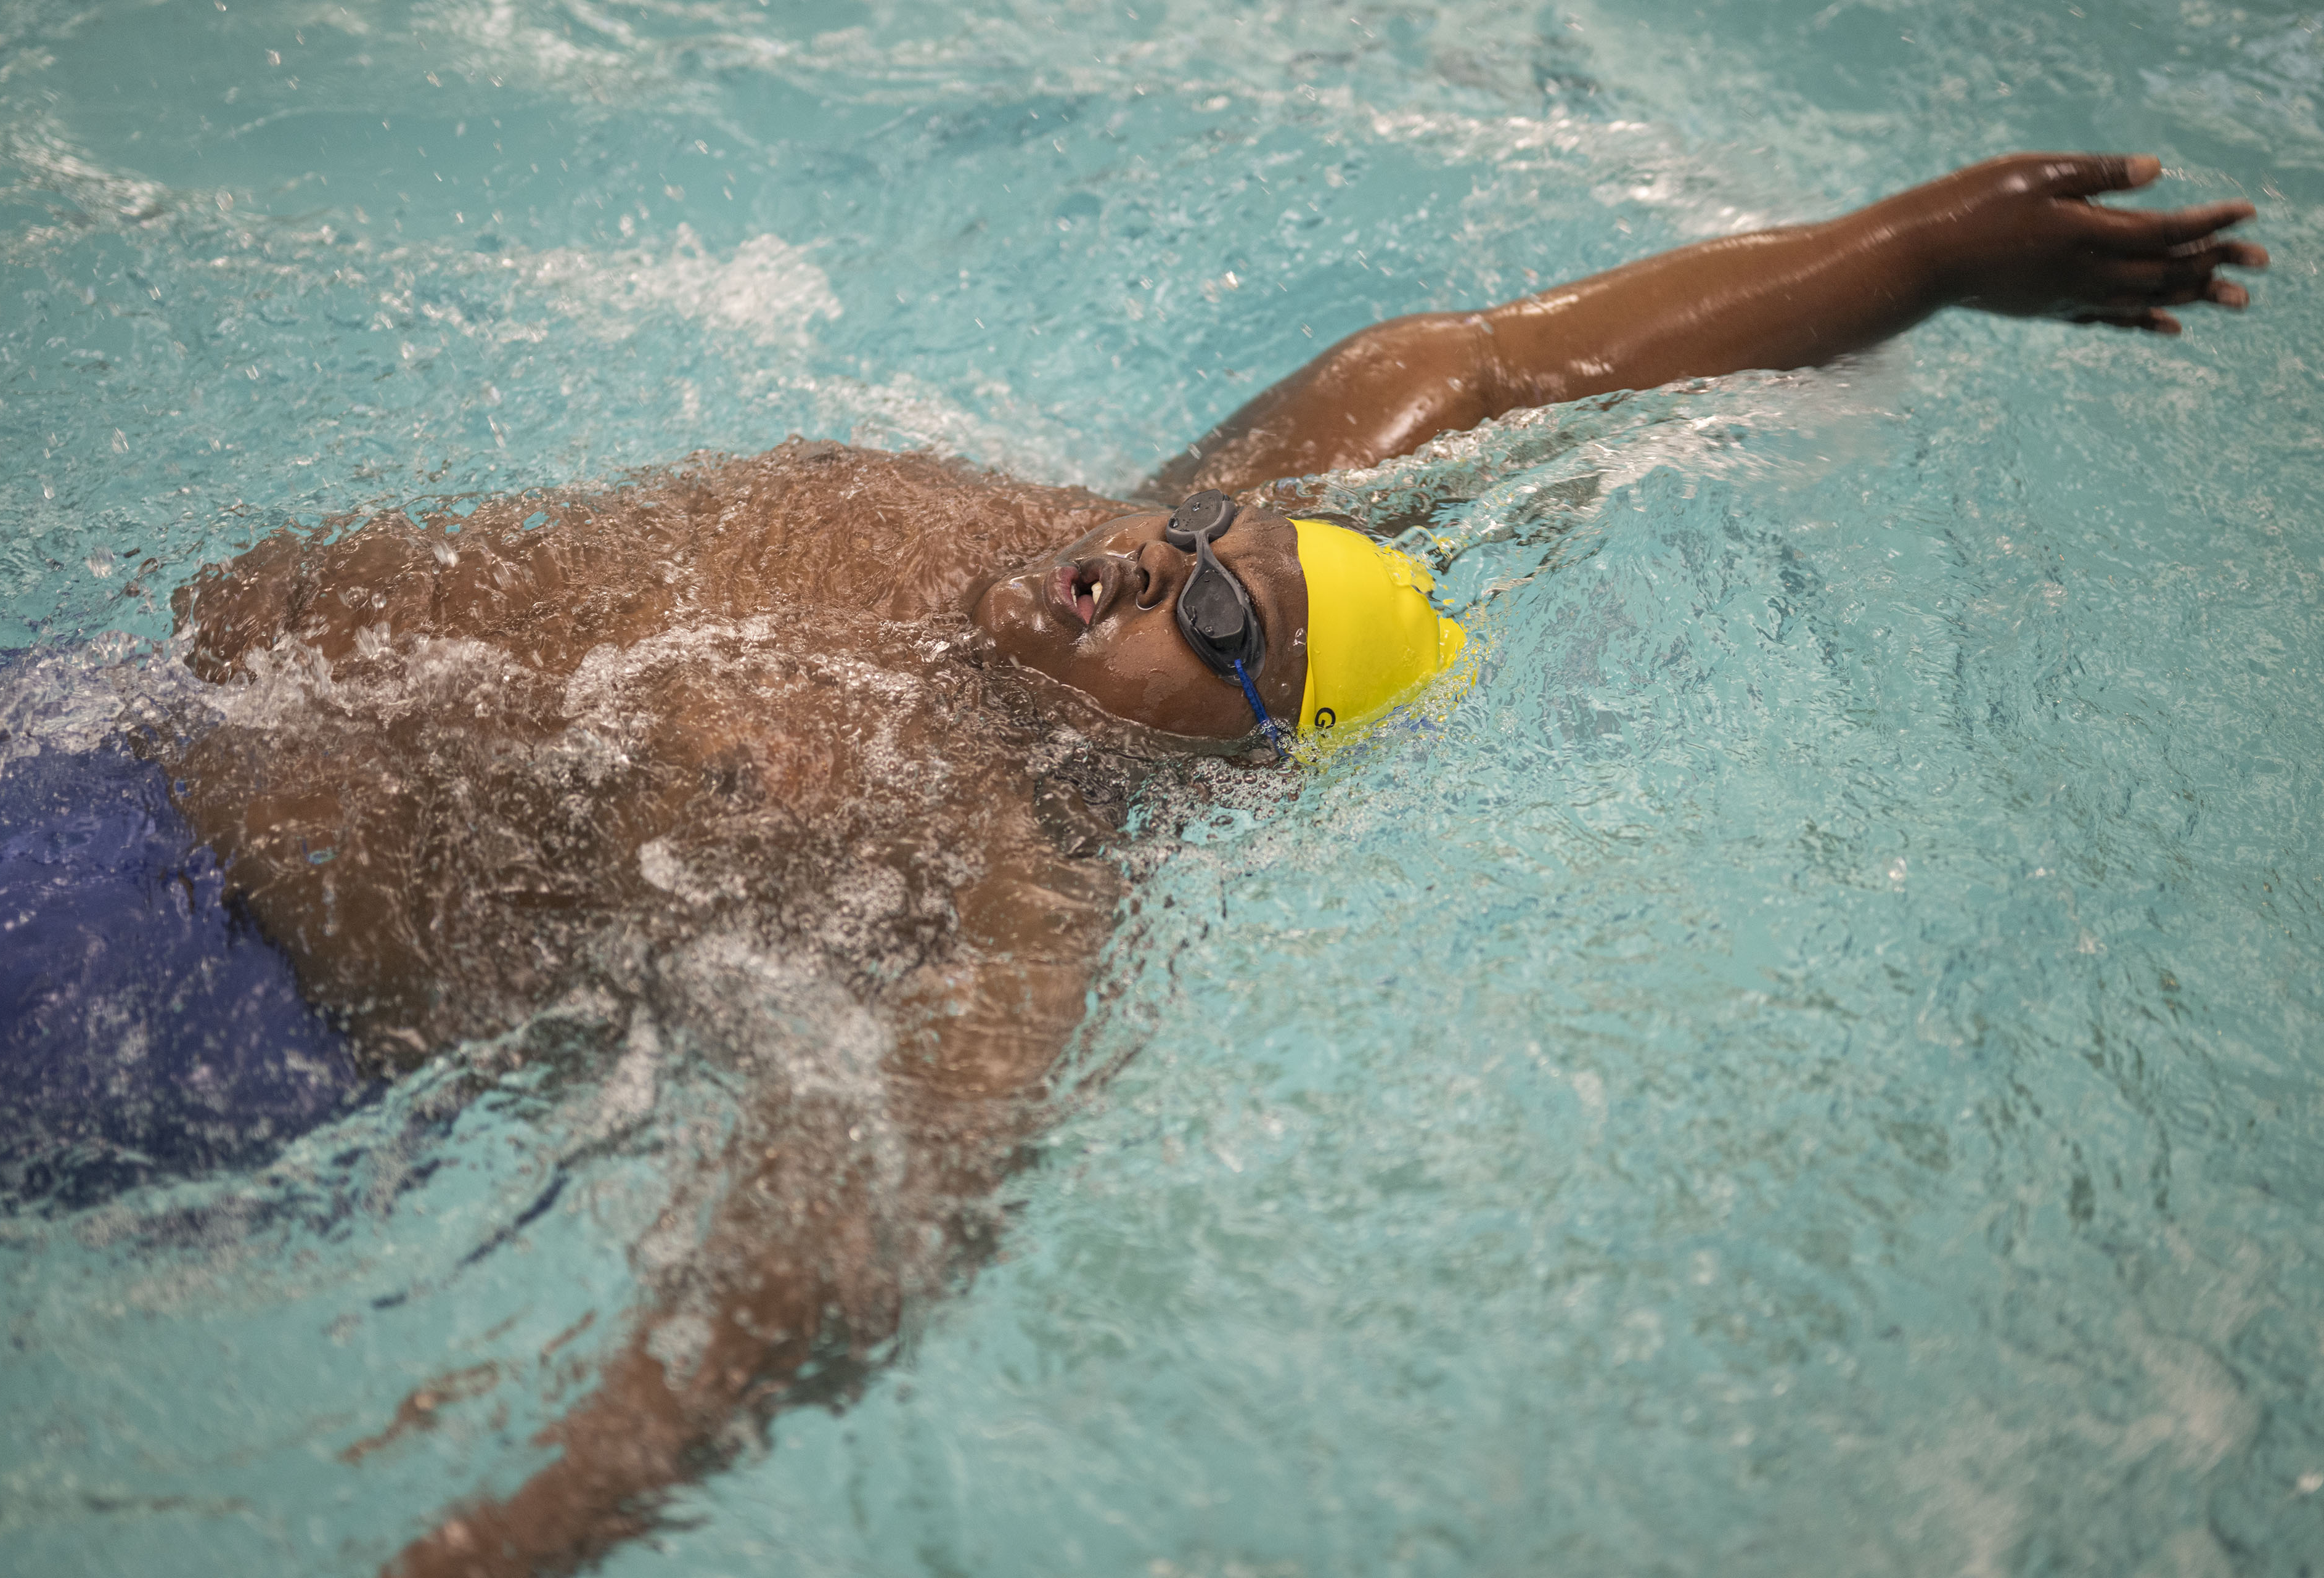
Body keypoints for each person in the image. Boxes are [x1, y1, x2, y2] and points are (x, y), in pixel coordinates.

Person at [160, 153, 2260, 1576]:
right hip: (93, 714)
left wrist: (526, 1525)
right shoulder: (1099, 534)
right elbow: (1500, 370)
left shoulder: (1021, 884)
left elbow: (851, 1242)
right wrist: (1931, 247)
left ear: (1234, 772)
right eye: (1198, 547)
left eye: (1221, 625)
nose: (1162, 563)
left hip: (184, 1001)